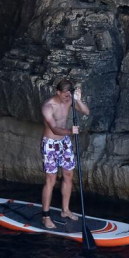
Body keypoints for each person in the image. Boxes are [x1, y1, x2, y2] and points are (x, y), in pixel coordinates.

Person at [40, 78, 90, 229]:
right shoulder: (48, 107)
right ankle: (45, 217)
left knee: (68, 175)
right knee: (51, 180)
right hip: (50, 144)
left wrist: (78, 100)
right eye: (65, 95)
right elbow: (54, 128)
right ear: (58, 92)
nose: (67, 98)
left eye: (69, 95)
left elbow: (86, 111)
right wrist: (70, 131)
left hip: (65, 143)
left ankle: (65, 210)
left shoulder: (69, 100)